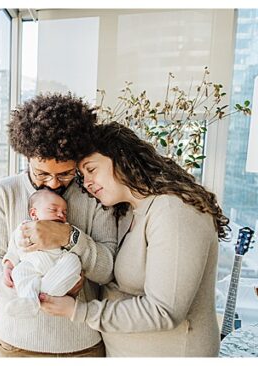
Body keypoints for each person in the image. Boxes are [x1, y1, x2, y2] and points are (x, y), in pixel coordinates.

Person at [37, 122, 226, 357]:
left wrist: (81, 311)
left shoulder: (173, 211)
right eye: (82, 175)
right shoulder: (130, 211)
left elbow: (163, 310)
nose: (86, 183)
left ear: (122, 158)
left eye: (92, 169)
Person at [0, 93, 118, 357]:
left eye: (64, 174)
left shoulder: (95, 195)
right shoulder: (2, 193)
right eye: (42, 173)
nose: (52, 183)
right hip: (17, 344)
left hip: (81, 345)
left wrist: (69, 237)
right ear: (27, 156)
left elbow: (107, 270)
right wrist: (18, 284)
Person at [3, 189, 83, 318]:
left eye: (64, 212)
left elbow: (71, 245)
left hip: (56, 264)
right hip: (32, 265)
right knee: (19, 273)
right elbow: (13, 248)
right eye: (53, 210)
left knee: (74, 261)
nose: (60, 215)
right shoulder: (24, 227)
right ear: (34, 214)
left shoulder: (65, 228)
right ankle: (30, 300)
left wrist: (65, 233)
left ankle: (41, 296)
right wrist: (9, 265)